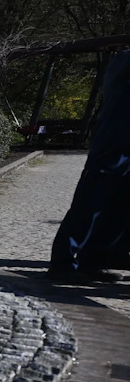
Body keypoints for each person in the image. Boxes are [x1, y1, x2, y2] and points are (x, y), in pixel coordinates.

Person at [49, 51, 130, 284]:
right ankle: (63, 263)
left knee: (119, 212)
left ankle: (95, 261)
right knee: (89, 208)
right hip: (113, 147)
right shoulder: (123, 61)